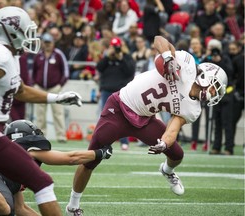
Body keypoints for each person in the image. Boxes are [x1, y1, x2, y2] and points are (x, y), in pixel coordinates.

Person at [65, 35, 228, 216]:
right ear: (206, 76)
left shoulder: (193, 109)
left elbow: (173, 127)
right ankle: (72, 206)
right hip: (119, 108)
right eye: (215, 87)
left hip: (144, 120)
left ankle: (167, 171)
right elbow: (159, 39)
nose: (215, 94)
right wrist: (167, 57)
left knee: (176, 153)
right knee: (91, 159)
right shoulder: (187, 65)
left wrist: (164, 144)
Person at [0, 6, 82, 216]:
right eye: (25, 31)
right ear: (9, 31)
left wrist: (56, 98)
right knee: (43, 183)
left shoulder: (10, 56)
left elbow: (21, 90)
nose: (29, 36)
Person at [0, 119, 112, 216]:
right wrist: (99, 153)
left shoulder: (9, 164)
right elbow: (70, 158)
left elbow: (21, 209)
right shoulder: (27, 148)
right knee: (5, 209)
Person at [96, 36, 135, 150]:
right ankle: (104, 141)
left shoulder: (126, 57)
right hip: (106, 91)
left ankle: (124, 141)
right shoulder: (107, 58)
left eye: (116, 47)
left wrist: (120, 58)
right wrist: (108, 56)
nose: (115, 49)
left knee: (122, 116)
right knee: (106, 117)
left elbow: (130, 71)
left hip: (121, 91)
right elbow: (99, 68)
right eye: (113, 47)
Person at [33, 32, 69, 142]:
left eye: (49, 43)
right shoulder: (38, 55)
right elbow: (34, 71)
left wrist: (60, 85)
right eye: (45, 43)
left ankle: (61, 136)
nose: (47, 45)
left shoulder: (58, 54)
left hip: (54, 88)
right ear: (42, 43)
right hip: (40, 87)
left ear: (53, 43)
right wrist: (34, 83)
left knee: (58, 112)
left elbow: (65, 71)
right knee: (40, 113)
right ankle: (41, 135)